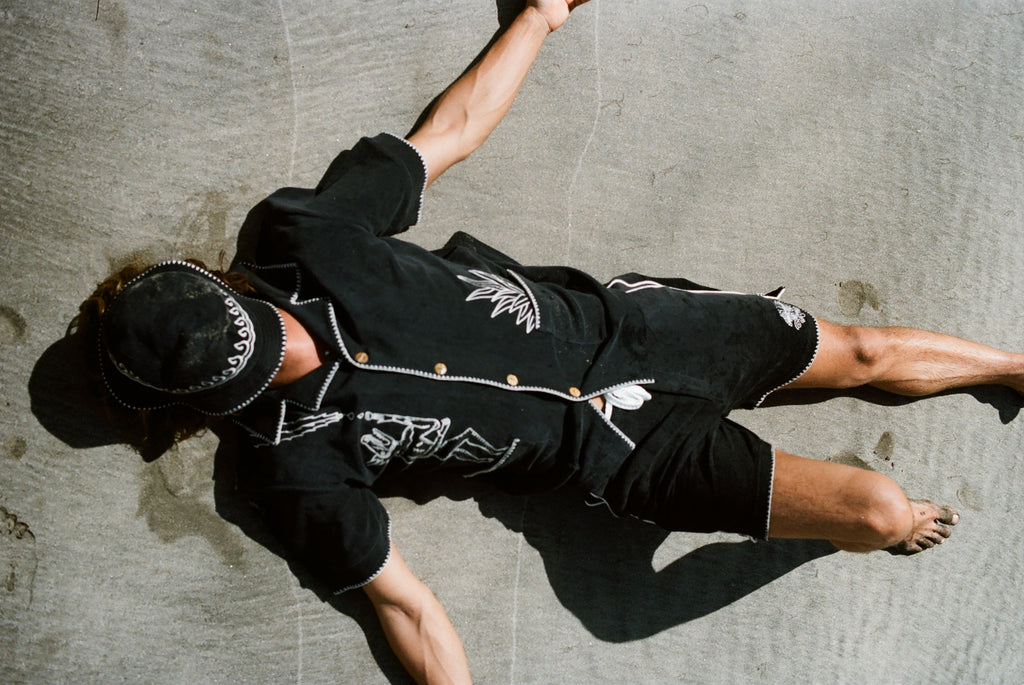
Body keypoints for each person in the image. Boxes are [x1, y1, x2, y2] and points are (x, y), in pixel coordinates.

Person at [74, 1, 1023, 683]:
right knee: (880, 511)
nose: (280, 355)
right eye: (250, 376)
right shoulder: (287, 468)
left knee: (853, 355)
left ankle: (1012, 365)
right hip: (627, 454)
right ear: (201, 410)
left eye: (261, 333)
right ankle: (898, 522)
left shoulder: (298, 238)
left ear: (224, 285)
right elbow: (404, 604)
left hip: (632, 325)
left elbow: (442, 139)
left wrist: (537, 16)